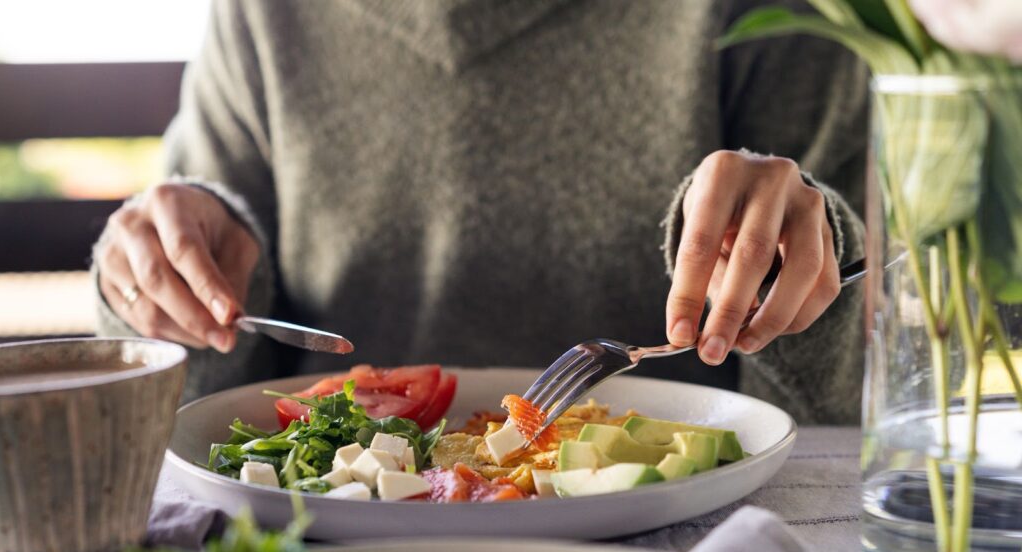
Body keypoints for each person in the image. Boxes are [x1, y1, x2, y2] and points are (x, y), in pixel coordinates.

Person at [92, 0, 869, 424]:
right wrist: (155, 286)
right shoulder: (262, 16)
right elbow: (186, 409)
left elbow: (835, 428)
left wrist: (803, 265)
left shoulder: (786, 16)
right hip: (321, 547)